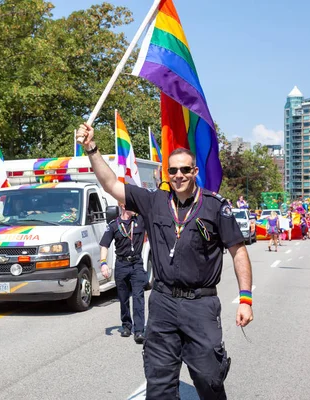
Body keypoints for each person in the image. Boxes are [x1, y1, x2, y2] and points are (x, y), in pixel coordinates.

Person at [76, 124, 253, 399]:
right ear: (166, 173)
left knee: (209, 379)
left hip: (200, 305)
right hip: (162, 304)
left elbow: (238, 251)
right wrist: (91, 149)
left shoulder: (215, 206)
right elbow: (110, 184)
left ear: (195, 172)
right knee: (159, 384)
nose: (179, 175)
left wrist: (245, 298)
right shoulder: (154, 201)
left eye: (185, 169)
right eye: (173, 170)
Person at [99, 203, 147, 344]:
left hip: (136, 264)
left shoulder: (140, 221)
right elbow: (104, 245)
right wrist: (103, 264)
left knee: (138, 297)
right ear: (123, 206)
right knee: (123, 297)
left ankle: (139, 331)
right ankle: (126, 325)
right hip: (121, 264)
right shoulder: (114, 225)